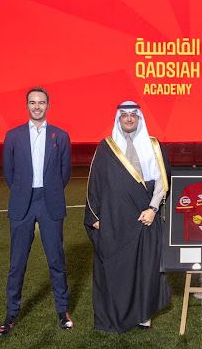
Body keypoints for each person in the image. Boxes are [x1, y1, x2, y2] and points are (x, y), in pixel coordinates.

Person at [83, 100, 171, 333]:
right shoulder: (106, 148)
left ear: (139, 118)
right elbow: (94, 185)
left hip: (144, 217)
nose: (129, 118)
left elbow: (162, 181)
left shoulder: (154, 146)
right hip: (114, 220)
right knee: (116, 268)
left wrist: (153, 209)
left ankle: (144, 315)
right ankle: (116, 316)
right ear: (118, 119)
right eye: (124, 115)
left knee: (146, 267)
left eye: (133, 114)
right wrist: (95, 217)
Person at [0, 87, 73, 336]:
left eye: (41, 102)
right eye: (33, 102)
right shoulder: (13, 136)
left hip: (50, 202)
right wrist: (23, 191)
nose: (37, 106)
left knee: (56, 261)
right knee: (17, 263)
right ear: (27, 105)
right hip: (23, 203)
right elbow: (8, 172)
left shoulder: (61, 136)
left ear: (48, 106)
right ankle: (11, 313)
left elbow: (65, 173)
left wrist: (49, 190)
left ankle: (62, 311)